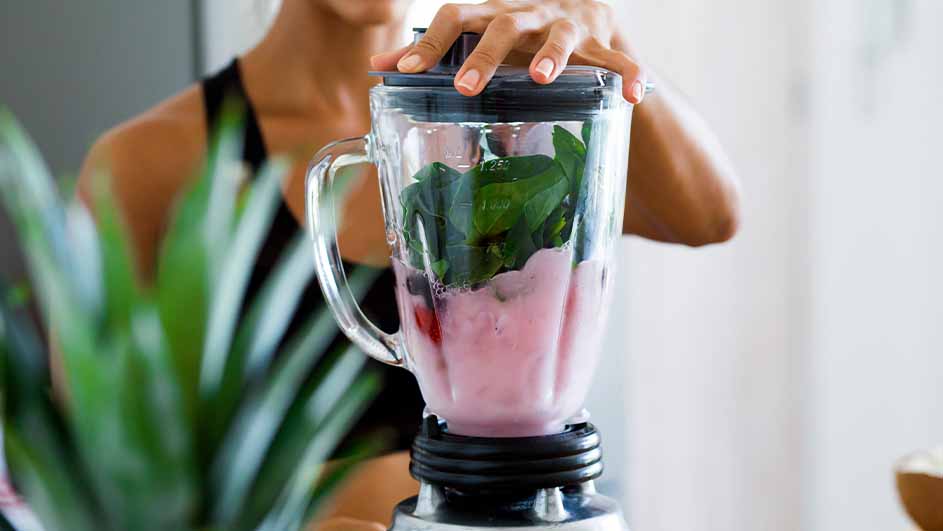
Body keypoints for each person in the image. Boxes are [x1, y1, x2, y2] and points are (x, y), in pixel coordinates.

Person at [78, 1, 741, 529]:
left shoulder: (507, 115)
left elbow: (708, 215)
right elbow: (106, 492)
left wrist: (603, 34)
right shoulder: (149, 165)